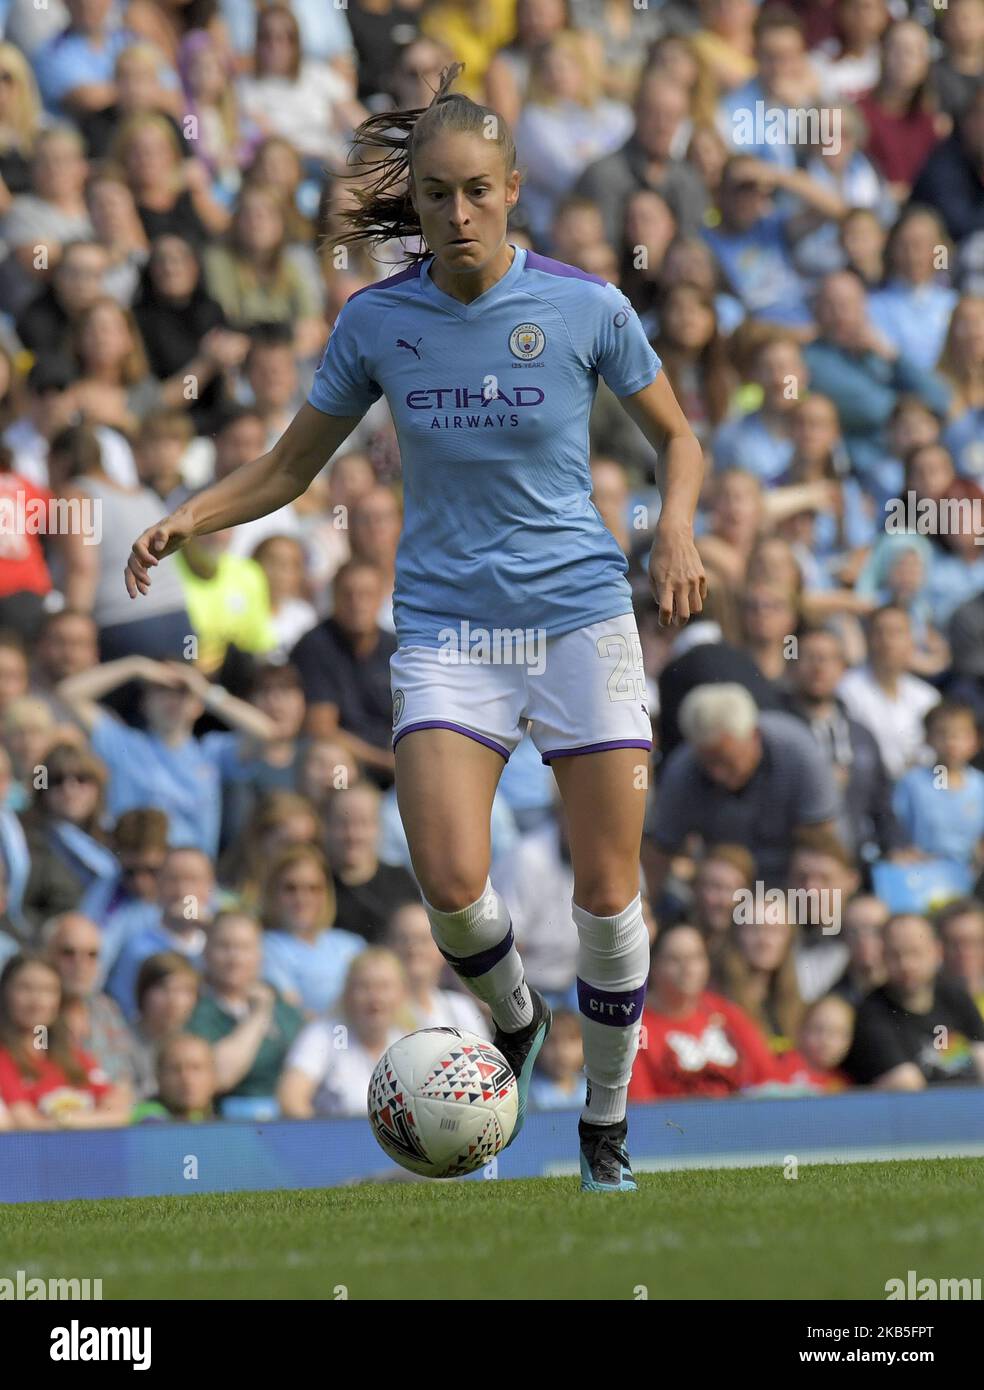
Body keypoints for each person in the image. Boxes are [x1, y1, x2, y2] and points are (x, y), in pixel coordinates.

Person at [124, 63, 707, 1192]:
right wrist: (193, 509)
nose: (456, 211)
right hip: (447, 624)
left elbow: (678, 437)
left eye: (476, 189)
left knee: (605, 889)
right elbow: (294, 464)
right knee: (444, 876)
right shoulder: (378, 320)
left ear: (512, 188)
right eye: (435, 194)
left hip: (580, 617)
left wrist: (675, 530)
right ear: (420, 202)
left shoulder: (587, 305)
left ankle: (603, 1120)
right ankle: (515, 1020)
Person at [644, 682, 839, 899]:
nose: (716, 773)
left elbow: (821, 843)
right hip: (725, 892)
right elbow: (658, 854)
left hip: (794, 886)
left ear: (754, 735)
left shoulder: (798, 753)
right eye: (707, 763)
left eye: (726, 761)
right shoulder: (683, 769)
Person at [628, 923, 778, 1100]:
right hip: (673, 1124)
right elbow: (642, 1102)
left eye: (696, 957)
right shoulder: (637, 1027)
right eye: (675, 959)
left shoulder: (725, 1012)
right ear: (652, 966)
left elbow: (769, 1079)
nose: (688, 968)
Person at [184, 911, 303, 1116]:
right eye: (224, 946)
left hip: (286, 1122)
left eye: (244, 948)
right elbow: (217, 1077)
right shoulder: (193, 1010)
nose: (235, 958)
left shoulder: (284, 1010)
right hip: (224, 1125)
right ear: (206, 952)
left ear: (260, 954)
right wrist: (258, 1016)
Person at [844, 913, 984, 1087]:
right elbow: (906, 1084)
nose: (906, 965)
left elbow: (981, 1054)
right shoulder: (871, 1013)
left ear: (937, 952)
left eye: (915, 953)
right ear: (882, 956)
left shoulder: (955, 996)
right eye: (895, 955)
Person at [0, 951, 131, 1129]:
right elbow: (25, 1124)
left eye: (48, 990)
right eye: (25, 988)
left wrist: (66, 1121)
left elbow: (119, 1112)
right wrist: (83, 1120)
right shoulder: (4, 1057)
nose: (37, 1001)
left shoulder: (71, 1054)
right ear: (5, 993)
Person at [277, 947, 411, 1118]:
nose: (375, 998)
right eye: (364, 987)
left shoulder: (410, 1043)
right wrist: (325, 1139)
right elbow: (290, 1099)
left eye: (384, 987)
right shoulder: (323, 1034)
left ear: (402, 993)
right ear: (347, 993)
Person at [106, 846, 214, 1021]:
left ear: (209, 886)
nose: (183, 891)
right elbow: (125, 1012)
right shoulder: (137, 949)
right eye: (173, 879)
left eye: (193, 880)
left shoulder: (220, 943)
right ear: (158, 885)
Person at [259, 843, 365, 1016]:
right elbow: (293, 1012)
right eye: (290, 888)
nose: (302, 898)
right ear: (273, 893)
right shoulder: (264, 947)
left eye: (313, 889)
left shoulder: (353, 944)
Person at [43, 910, 138, 1092]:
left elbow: (124, 1080)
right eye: (68, 953)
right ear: (47, 955)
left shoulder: (107, 1009)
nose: (80, 964)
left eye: (92, 955)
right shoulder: (29, 1014)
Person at [323, 782, 419, 944]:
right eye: (342, 824)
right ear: (326, 827)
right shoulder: (313, 886)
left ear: (379, 828)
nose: (353, 835)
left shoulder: (400, 882)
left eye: (363, 823)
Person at [892, 702, 984, 867]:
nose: (951, 742)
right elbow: (896, 829)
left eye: (961, 734)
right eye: (942, 734)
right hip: (924, 873)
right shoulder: (913, 783)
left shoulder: (979, 785)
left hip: (971, 876)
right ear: (927, 738)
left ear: (976, 740)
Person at [385, 901, 488, 1036]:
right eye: (404, 939)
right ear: (389, 947)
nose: (414, 948)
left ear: (442, 949)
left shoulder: (461, 1008)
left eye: (423, 940)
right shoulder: (378, 1010)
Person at [133, 1032, 219, 1122]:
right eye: (175, 1069)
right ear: (158, 1077)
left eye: (196, 1068)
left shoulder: (231, 1118)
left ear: (213, 1076)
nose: (186, 1079)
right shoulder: (146, 1121)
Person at [529, 1007, 587, 1110]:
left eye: (571, 1038)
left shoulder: (593, 1093)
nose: (561, 1050)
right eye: (551, 1041)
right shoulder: (529, 1094)